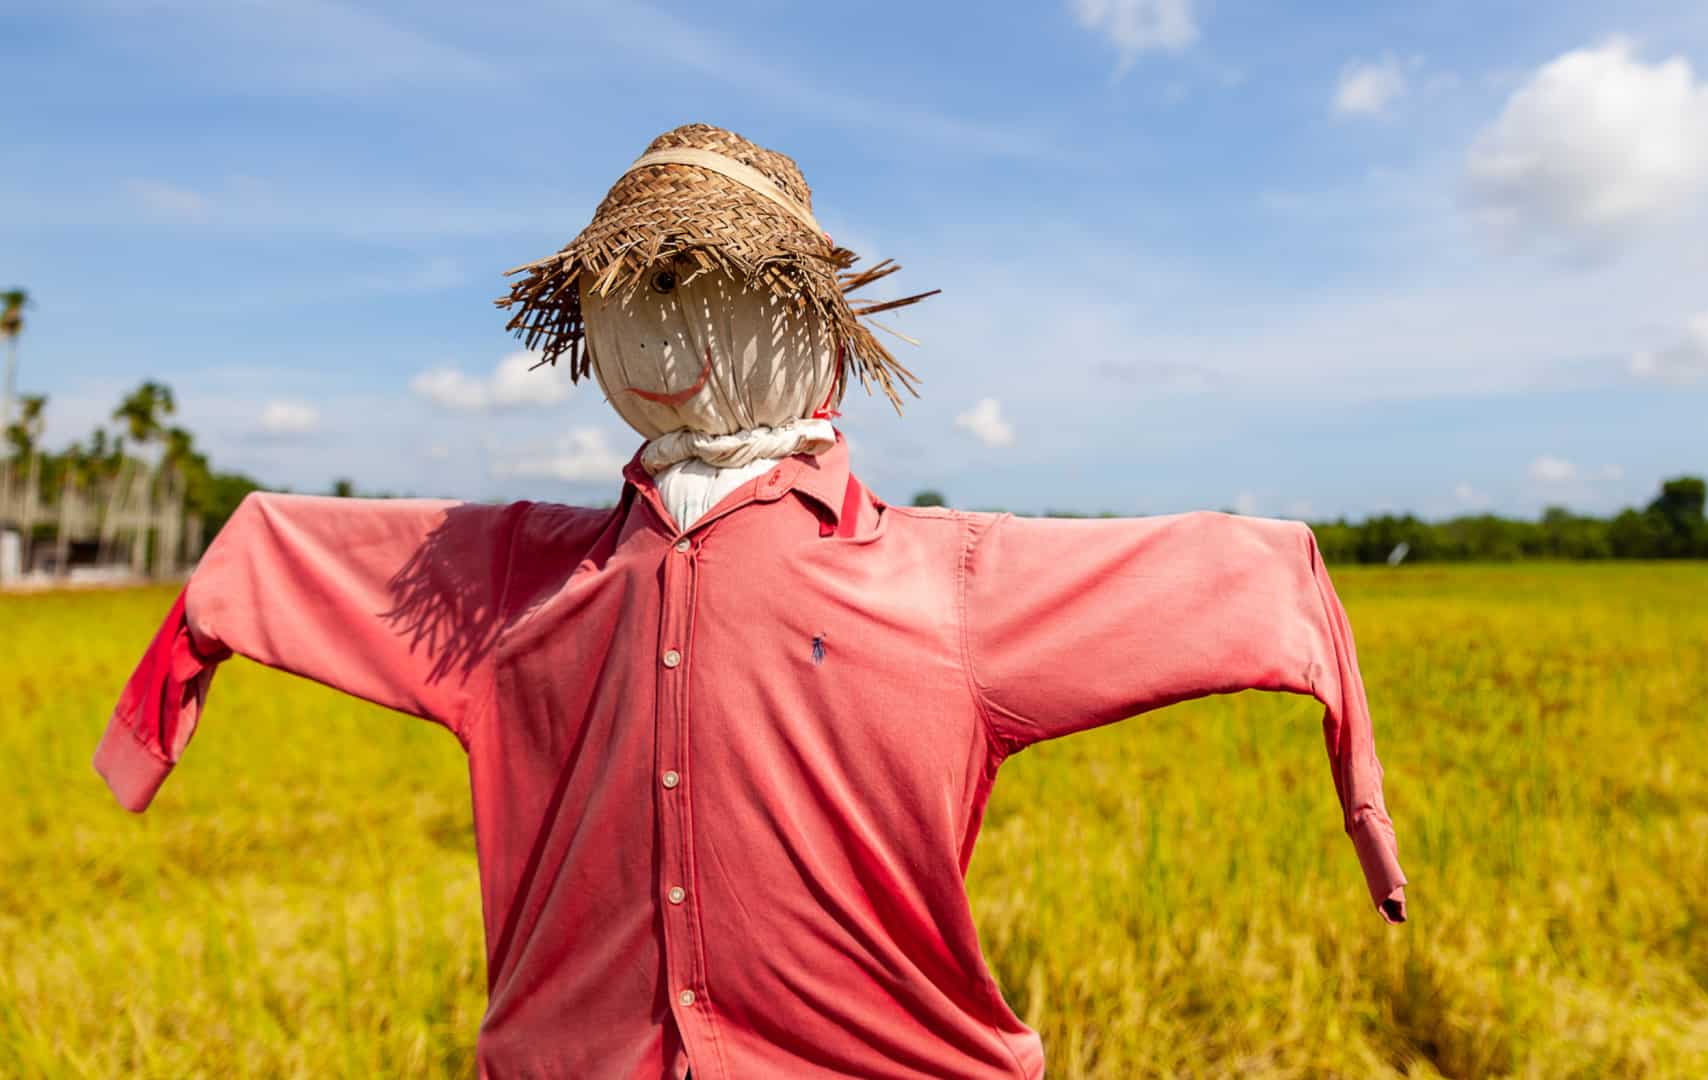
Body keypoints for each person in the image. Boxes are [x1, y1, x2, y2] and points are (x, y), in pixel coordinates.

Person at [93, 123, 1407, 1079]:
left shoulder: (951, 583)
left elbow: (1262, 572)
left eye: (709, 288)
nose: (667, 336)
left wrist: (1363, 807)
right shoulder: (500, 580)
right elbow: (264, 549)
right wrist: (144, 737)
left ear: (811, 324)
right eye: (637, 297)